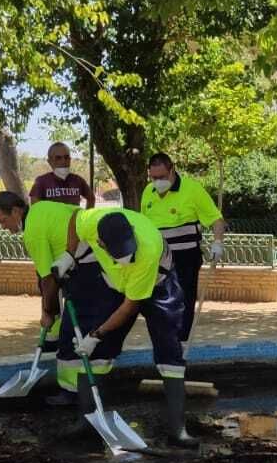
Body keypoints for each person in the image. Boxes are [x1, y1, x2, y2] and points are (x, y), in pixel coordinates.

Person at [52, 205, 196, 447]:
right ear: (101, 243)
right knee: (97, 352)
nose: (127, 256)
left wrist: (96, 335)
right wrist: (69, 253)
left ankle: (177, 430)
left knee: (169, 347)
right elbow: (75, 218)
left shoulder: (146, 251)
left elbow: (130, 306)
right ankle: (87, 423)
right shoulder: (92, 222)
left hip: (159, 284)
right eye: (120, 252)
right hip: (114, 284)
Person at [0, 189, 95, 406]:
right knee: (59, 327)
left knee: (70, 332)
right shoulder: (41, 209)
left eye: (3, 220)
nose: (3, 227)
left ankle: (71, 391)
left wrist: (47, 312)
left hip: (87, 265)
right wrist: (50, 312)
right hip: (85, 260)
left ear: (16, 211)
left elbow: (47, 280)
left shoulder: (33, 232)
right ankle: (50, 343)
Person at [139, 152, 226, 356]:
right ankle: (165, 341)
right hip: (158, 258)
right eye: (153, 178)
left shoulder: (192, 189)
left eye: (162, 177)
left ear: (172, 170)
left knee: (183, 300)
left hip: (185, 257)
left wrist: (218, 243)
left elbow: (216, 220)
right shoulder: (148, 192)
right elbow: (143, 225)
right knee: (156, 301)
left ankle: (180, 342)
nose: (158, 182)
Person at [28, 142, 96, 208]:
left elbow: (91, 198)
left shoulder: (78, 180)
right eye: (58, 158)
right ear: (50, 161)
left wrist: (84, 215)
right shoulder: (41, 182)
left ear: (70, 159)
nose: (63, 161)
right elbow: (35, 208)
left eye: (66, 157)